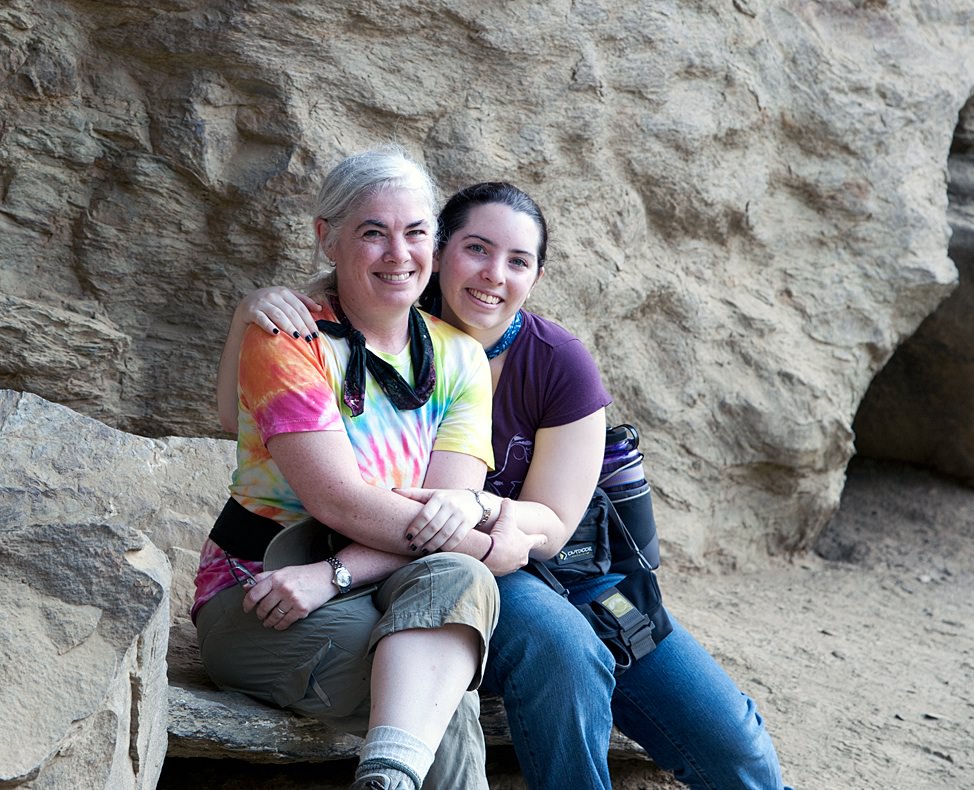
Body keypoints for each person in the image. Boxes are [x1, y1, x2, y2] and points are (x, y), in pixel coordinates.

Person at [221, 182, 790, 789]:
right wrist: (255, 307)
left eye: (518, 261)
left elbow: (554, 522)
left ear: (536, 276)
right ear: (440, 252)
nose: (493, 275)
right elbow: (251, 407)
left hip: (565, 568)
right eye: (476, 249)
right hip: (471, 570)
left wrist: (488, 510)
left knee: (736, 745)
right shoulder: (385, 320)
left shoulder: (557, 361)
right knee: (565, 651)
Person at [194, 149, 545, 790]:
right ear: (327, 238)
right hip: (263, 593)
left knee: (446, 609)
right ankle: (391, 772)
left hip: (350, 582)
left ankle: (385, 777)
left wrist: (335, 573)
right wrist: (494, 543)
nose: (398, 253)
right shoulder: (288, 337)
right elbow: (339, 502)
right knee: (439, 674)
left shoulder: (462, 356)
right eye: (372, 232)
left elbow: (444, 510)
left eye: (415, 232)